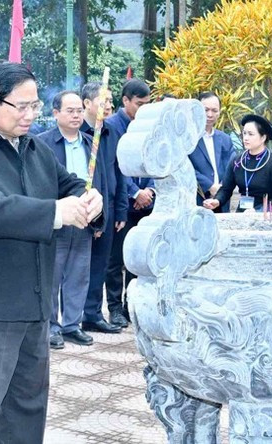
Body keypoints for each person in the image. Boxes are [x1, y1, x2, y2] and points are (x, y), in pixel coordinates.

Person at [0, 60, 103, 444]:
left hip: (33, 305)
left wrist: (89, 198)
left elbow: (69, 184)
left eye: (35, 106)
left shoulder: (34, 148)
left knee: (26, 415)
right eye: (22, 106)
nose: (30, 115)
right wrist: (54, 213)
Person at [39, 90, 108, 349]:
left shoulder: (92, 143)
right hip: (57, 216)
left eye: (79, 110)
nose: (76, 115)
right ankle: (51, 327)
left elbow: (102, 181)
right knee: (52, 275)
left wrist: (99, 218)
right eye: (70, 111)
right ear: (55, 113)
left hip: (85, 217)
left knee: (79, 274)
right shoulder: (42, 143)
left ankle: (71, 324)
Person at [101, 79, 152, 328]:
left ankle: (131, 305)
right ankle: (114, 307)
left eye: (147, 104)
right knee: (116, 258)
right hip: (121, 202)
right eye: (139, 104)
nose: (143, 109)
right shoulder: (111, 126)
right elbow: (114, 166)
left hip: (146, 203)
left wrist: (149, 190)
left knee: (138, 258)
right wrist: (135, 193)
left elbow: (154, 158)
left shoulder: (148, 125)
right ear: (125, 101)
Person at [78, 81, 127, 335]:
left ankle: (93, 314)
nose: (109, 105)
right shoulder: (77, 131)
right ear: (87, 103)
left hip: (108, 206)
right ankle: (69, 317)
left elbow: (119, 173)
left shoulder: (112, 132)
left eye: (110, 101)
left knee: (100, 263)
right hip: (81, 206)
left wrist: (121, 210)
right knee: (76, 264)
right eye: (103, 101)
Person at [204, 114, 272, 212]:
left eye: (251, 134)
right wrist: (217, 201)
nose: (246, 138)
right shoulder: (237, 161)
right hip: (242, 213)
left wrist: (257, 211)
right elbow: (226, 189)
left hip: (266, 215)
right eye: (244, 133)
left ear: (263, 138)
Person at [188, 92, 234, 212]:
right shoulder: (188, 139)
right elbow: (185, 167)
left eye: (214, 110)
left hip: (221, 201)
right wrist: (209, 186)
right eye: (206, 110)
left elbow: (231, 167)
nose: (210, 114)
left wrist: (221, 189)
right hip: (197, 200)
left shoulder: (225, 139)